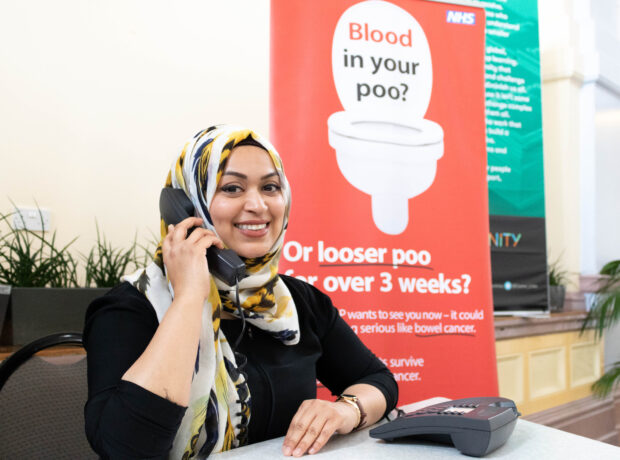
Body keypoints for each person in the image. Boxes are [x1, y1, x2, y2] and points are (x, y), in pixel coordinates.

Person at [84, 125, 398, 459]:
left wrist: (347, 411)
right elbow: (125, 448)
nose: (258, 205)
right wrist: (190, 298)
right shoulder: (130, 309)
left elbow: (377, 379)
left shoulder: (296, 302)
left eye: (270, 187)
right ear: (187, 206)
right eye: (232, 188)